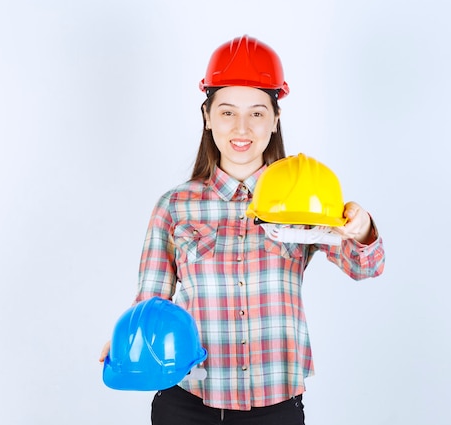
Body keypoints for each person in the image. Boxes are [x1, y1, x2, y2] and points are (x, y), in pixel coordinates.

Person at [99, 34, 385, 425]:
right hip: (188, 401)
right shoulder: (174, 206)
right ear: (207, 117)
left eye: (257, 112)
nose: (242, 128)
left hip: (275, 404)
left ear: (275, 119)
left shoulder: (304, 197)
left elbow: (365, 267)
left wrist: (363, 229)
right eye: (228, 112)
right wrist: (128, 340)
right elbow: (151, 300)